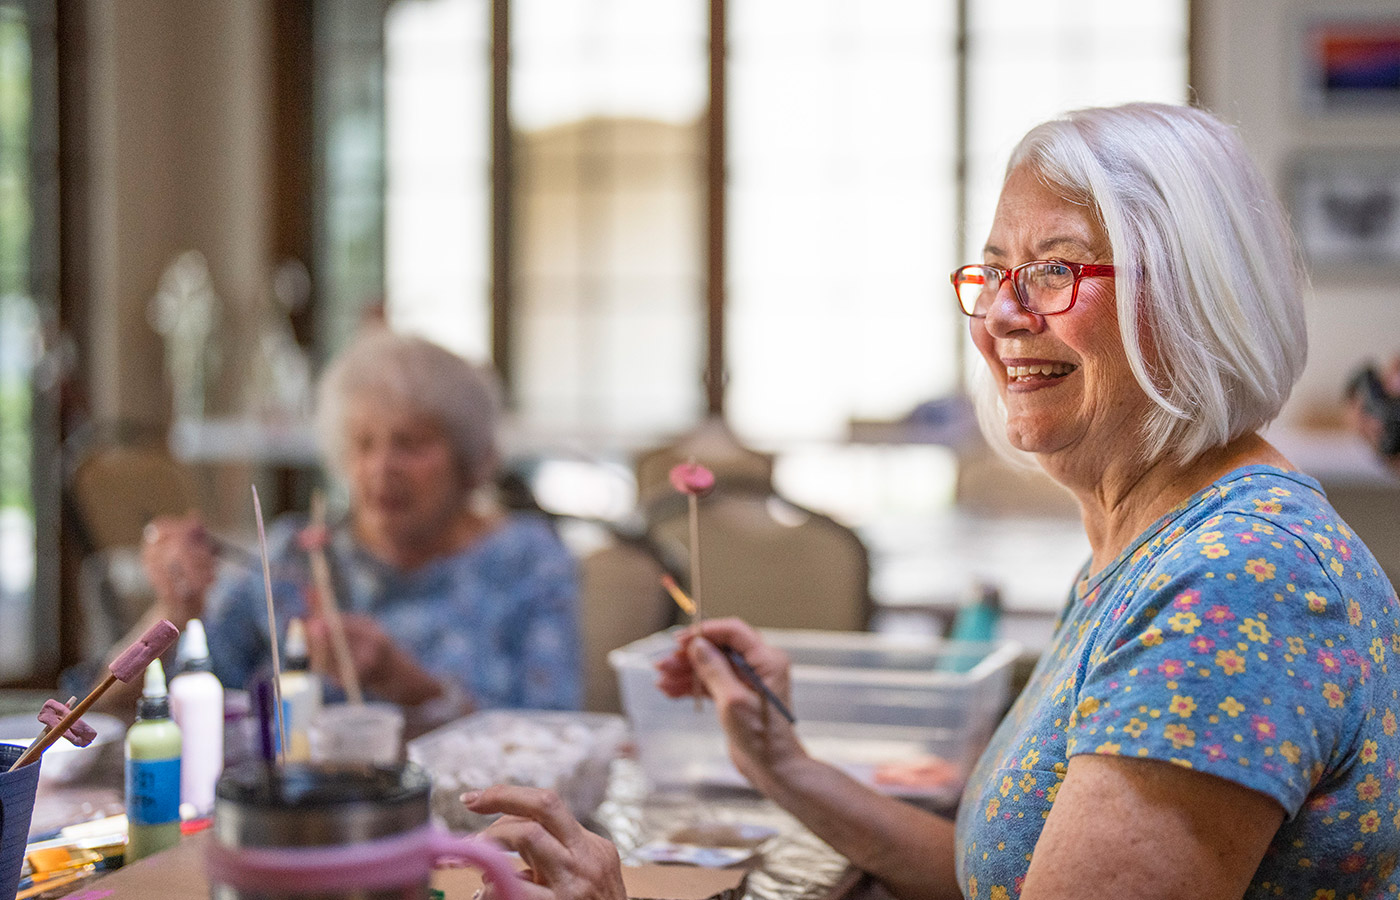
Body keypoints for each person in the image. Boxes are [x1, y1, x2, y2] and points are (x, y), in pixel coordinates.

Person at [461, 103, 1400, 900]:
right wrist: (781, 763)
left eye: (1055, 270)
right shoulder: (1147, 546)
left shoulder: (1232, 581)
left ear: (1196, 298)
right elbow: (989, 871)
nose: (999, 315)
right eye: (995, 271)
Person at [139, 328, 582, 727]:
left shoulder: (526, 560)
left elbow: (556, 736)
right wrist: (174, 611)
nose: (381, 469)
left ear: (470, 458)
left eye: (410, 444)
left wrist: (414, 690)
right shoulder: (297, 555)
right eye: (363, 444)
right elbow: (150, 708)